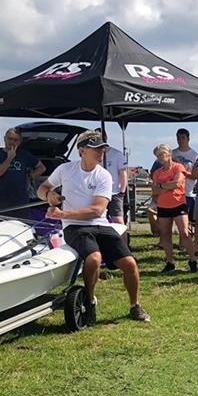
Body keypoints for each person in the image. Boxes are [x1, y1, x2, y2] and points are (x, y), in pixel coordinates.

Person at [37, 130, 149, 323]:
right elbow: (42, 188)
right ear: (82, 151)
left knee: (130, 264)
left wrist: (62, 213)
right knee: (94, 258)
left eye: (102, 149)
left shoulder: (104, 175)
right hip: (74, 227)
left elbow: (97, 210)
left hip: (99, 224)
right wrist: (48, 196)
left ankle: (135, 305)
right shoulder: (65, 170)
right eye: (96, 149)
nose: (101, 153)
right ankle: (89, 300)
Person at [151, 143, 197, 274]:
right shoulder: (157, 172)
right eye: (157, 155)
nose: (160, 157)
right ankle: (170, 262)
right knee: (165, 234)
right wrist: (166, 186)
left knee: (184, 233)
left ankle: (192, 259)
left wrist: (161, 186)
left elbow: (177, 183)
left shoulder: (178, 167)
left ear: (169, 154)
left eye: (161, 154)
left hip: (178, 203)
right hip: (163, 205)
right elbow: (154, 190)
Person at [0, 127, 46, 210]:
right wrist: (9, 158)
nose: (12, 142)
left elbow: (41, 168)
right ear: (5, 139)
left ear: (20, 142)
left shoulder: (24, 154)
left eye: (16, 140)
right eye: (10, 139)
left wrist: (30, 177)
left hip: (21, 199)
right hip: (3, 200)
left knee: (22, 222)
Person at [171, 128, 198, 222]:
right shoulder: (172, 154)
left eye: (183, 138)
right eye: (178, 138)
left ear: (188, 139)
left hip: (189, 192)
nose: (180, 140)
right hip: (174, 192)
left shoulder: (194, 155)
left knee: (190, 220)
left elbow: (197, 175)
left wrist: (183, 174)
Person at [100, 135, 128, 225]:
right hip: (98, 192)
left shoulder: (117, 154)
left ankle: (121, 238)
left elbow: (122, 172)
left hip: (114, 192)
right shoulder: (94, 155)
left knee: (117, 219)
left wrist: (122, 191)